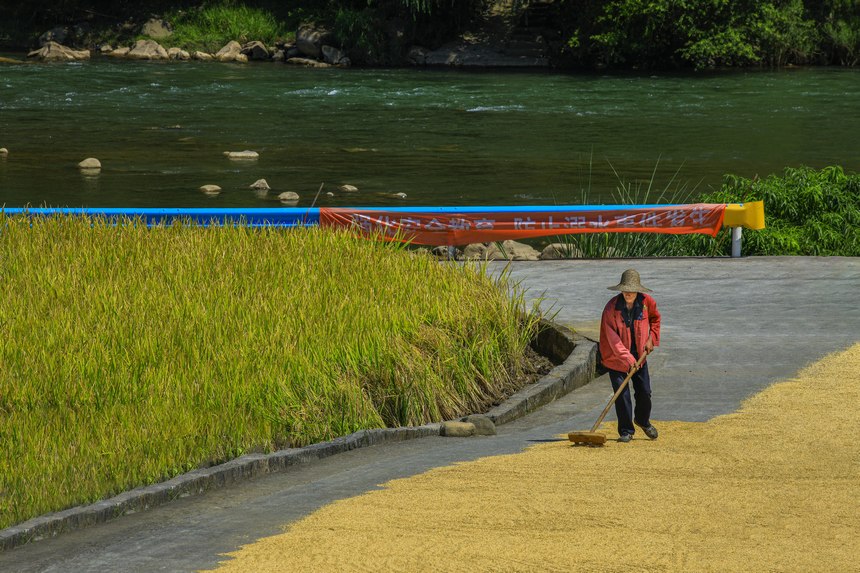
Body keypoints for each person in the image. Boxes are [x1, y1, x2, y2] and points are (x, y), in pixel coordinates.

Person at [598, 269, 661, 443]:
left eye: (632, 290)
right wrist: (627, 358)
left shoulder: (647, 303)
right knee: (622, 394)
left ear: (638, 290)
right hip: (615, 357)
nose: (628, 293)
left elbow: (655, 320)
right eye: (625, 290)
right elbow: (612, 339)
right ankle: (626, 430)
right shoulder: (611, 308)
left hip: (640, 354)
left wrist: (652, 339)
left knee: (644, 392)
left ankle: (642, 420)